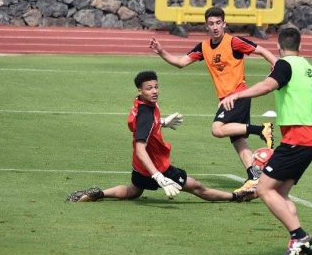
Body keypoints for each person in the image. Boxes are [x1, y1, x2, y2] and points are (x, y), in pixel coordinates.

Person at [219, 28, 312, 255]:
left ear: (279, 47)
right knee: (280, 193)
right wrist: (301, 112)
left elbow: (267, 86)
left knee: (263, 189)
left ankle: (299, 236)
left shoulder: (284, 64)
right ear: (301, 45)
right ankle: (298, 244)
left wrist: (237, 96)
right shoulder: (308, 67)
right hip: (309, 139)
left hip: (297, 140)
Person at [66, 71, 255, 203]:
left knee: (133, 191)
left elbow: (137, 126)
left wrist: (163, 122)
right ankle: (236, 197)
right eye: (149, 88)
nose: (155, 91)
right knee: (197, 187)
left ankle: (99, 193)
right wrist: (158, 176)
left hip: (140, 168)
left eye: (156, 87)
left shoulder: (141, 105)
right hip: (156, 166)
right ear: (140, 90)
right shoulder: (147, 115)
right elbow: (141, 147)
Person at [149, 7, 277, 193]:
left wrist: (276, 65)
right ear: (206, 26)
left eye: (218, 23)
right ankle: (254, 176)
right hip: (227, 98)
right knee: (238, 140)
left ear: (224, 24)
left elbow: (261, 50)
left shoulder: (233, 42)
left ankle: (262, 129)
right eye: (211, 24)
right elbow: (181, 62)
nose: (215, 27)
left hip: (237, 96)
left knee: (217, 129)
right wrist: (161, 51)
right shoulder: (204, 47)